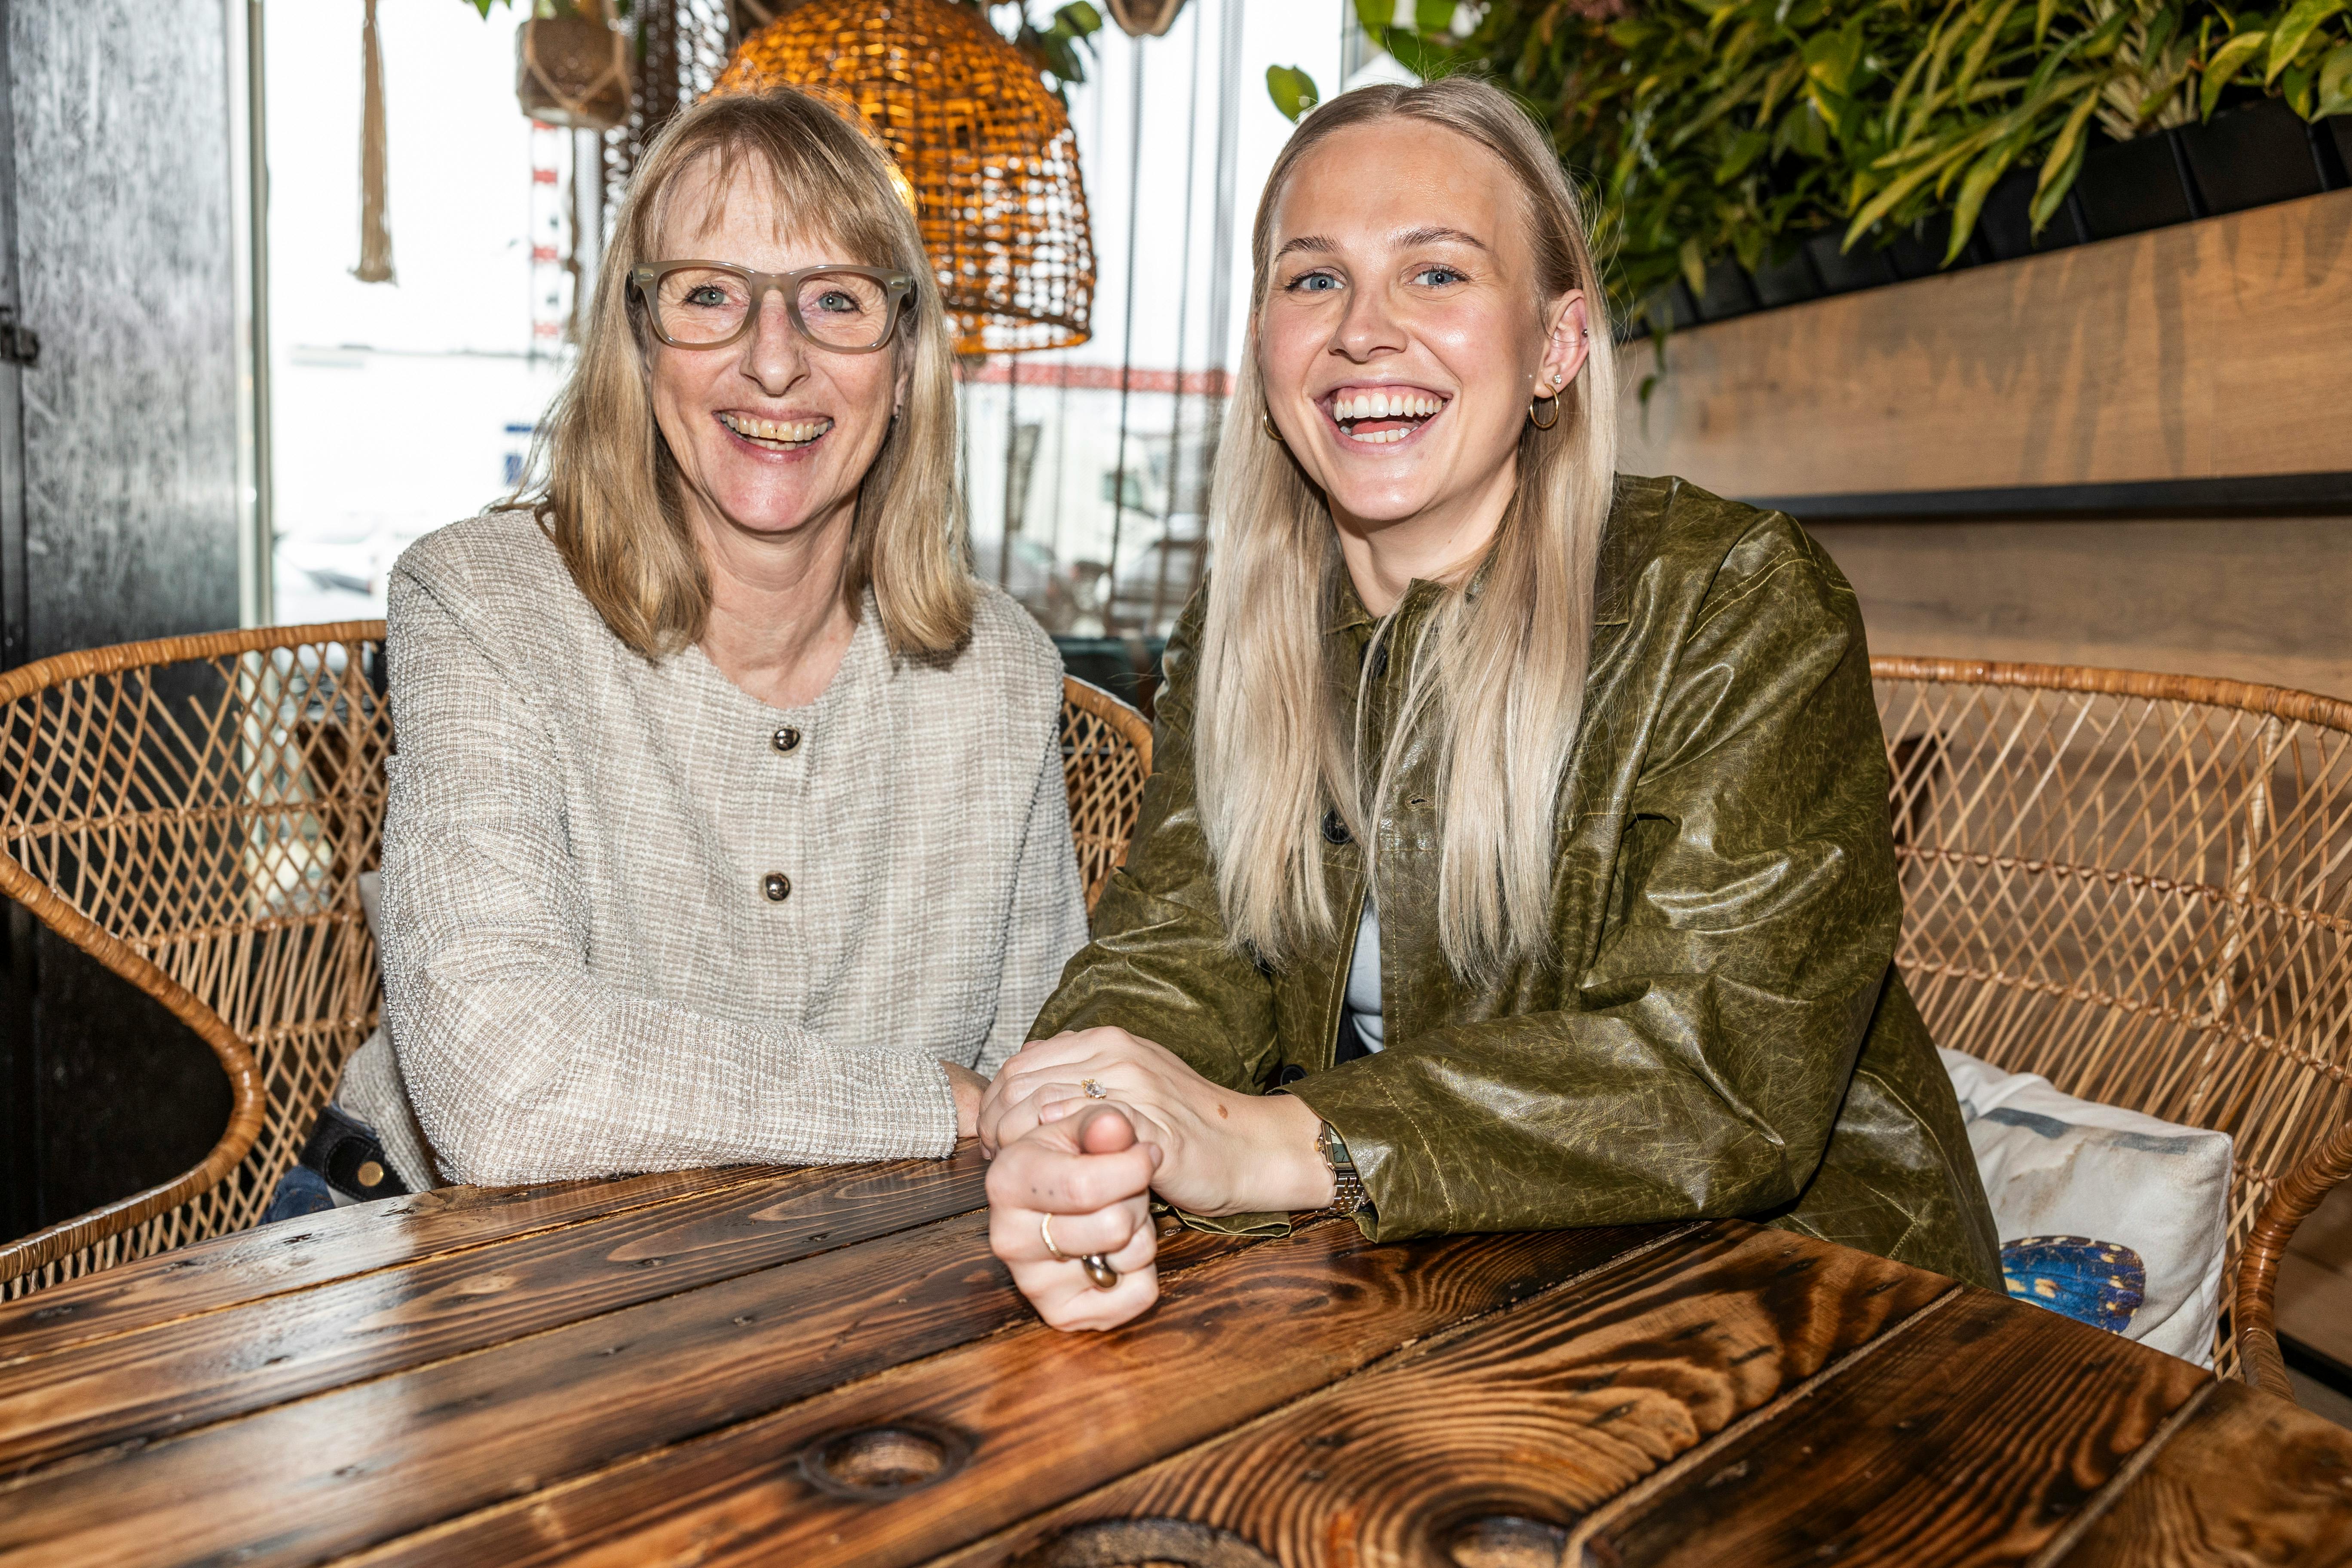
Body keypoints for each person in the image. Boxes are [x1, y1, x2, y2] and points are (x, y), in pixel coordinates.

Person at [978, 77, 2001, 1331]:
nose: (1364, 331)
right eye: (1314, 279)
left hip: (1800, 1304)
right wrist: (1090, 1130)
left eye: (1438, 273)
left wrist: (1288, 1142)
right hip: (1431, 1286)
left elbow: (1719, 1071)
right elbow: (1176, 953)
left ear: (1557, 346)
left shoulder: (1733, 599)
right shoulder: (1237, 636)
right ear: (1265, 345)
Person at [268, 87, 1085, 1216]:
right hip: (435, 1249)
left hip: (839, 1259)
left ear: (904, 363)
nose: (774, 361)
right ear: (640, 344)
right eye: (709, 295)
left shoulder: (1003, 671)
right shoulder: (482, 601)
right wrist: (927, 1103)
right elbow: (503, 1093)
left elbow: (1043, 1086)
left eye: (836, 301)